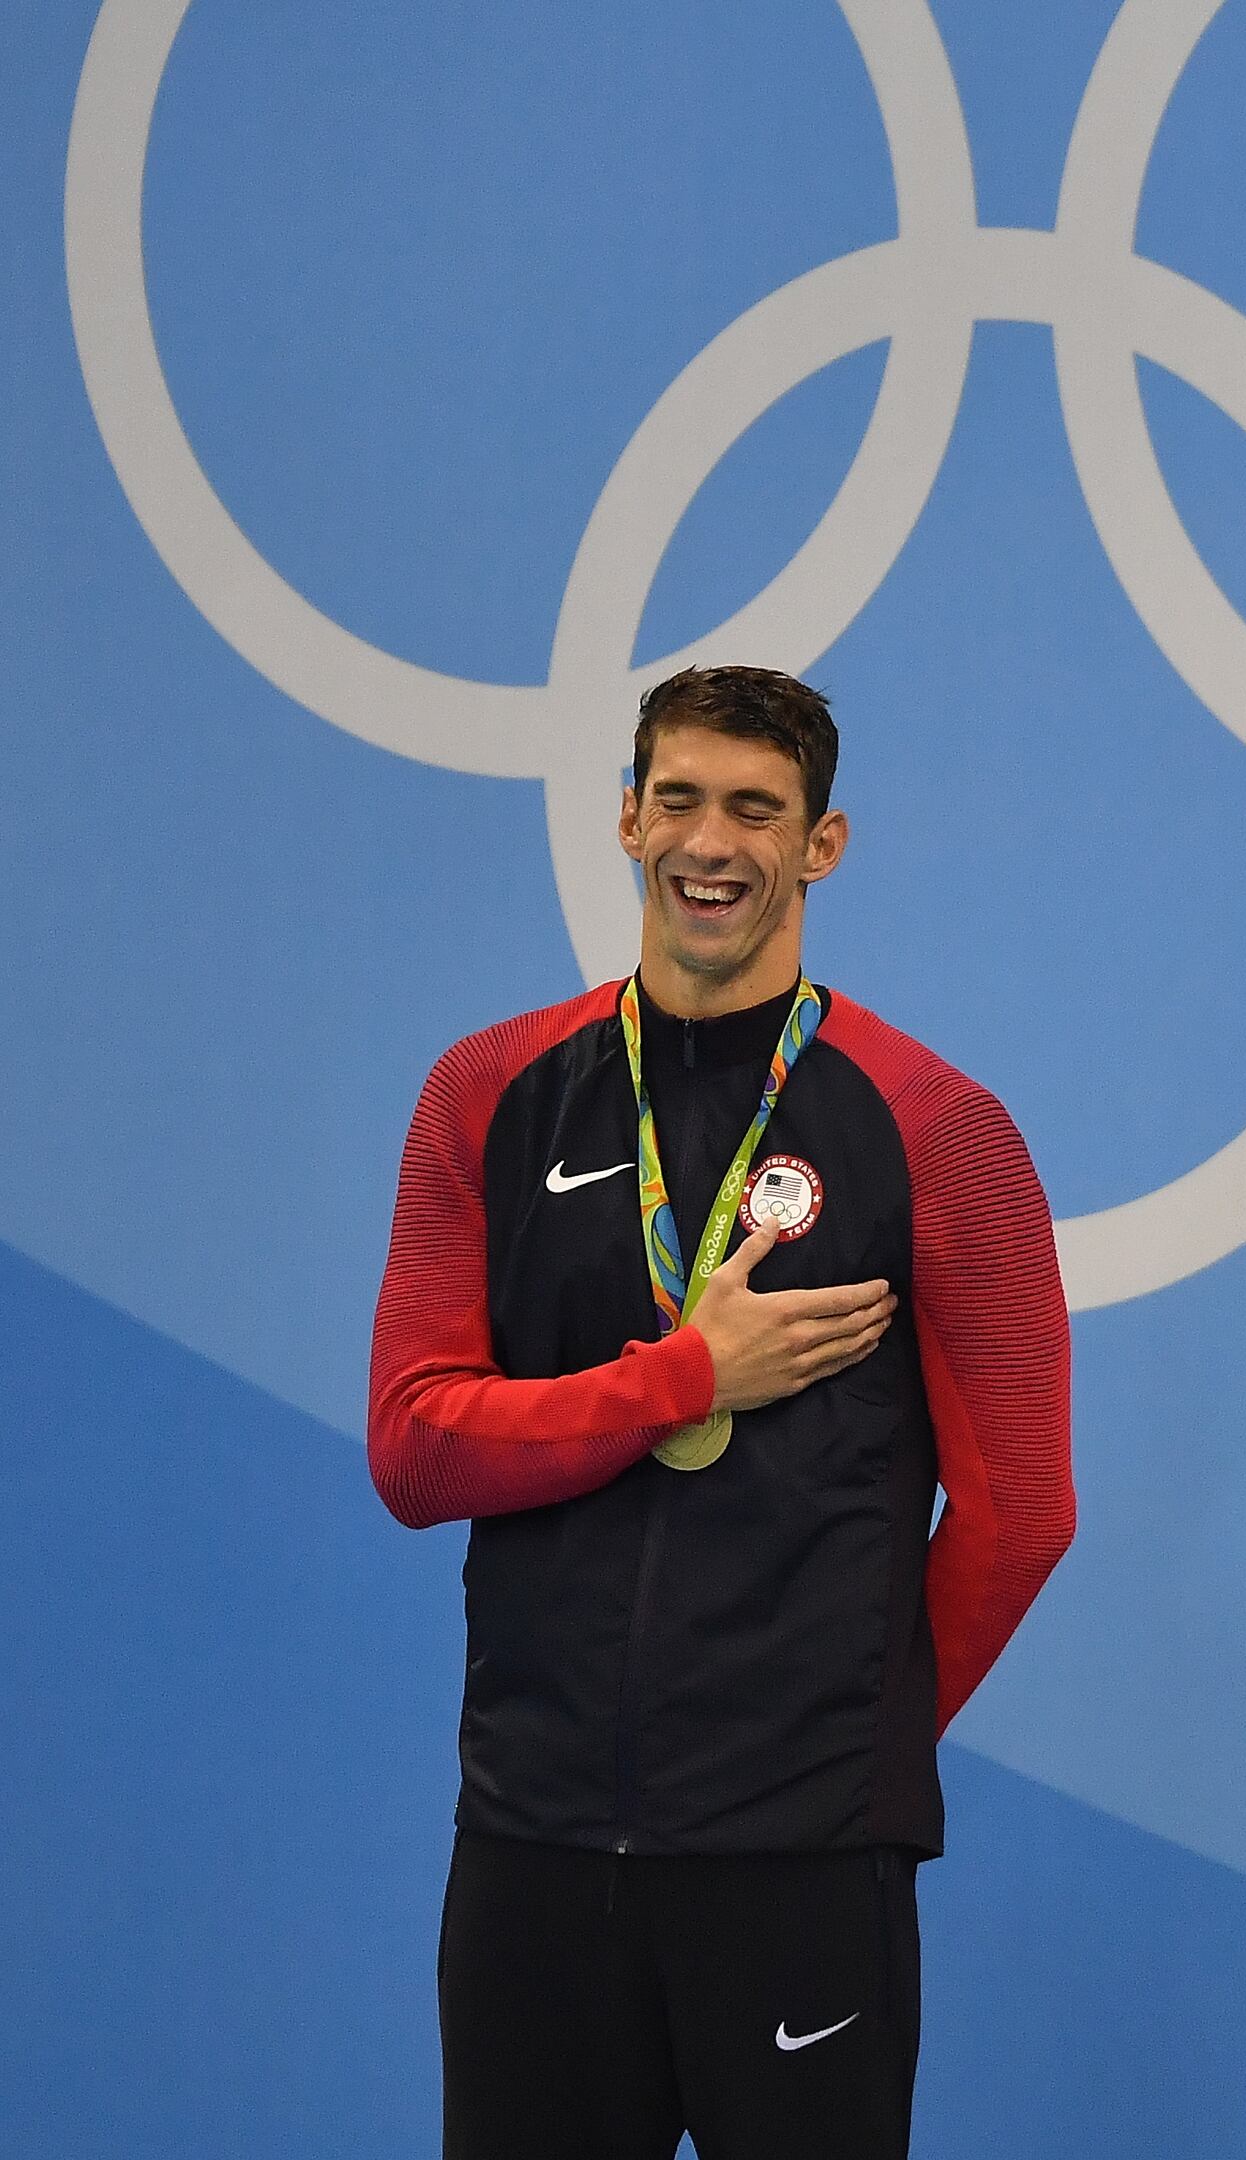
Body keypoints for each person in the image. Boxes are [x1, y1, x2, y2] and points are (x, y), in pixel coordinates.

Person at [367, 665, 1075, 2158]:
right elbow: (418, 1448)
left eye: (758, 810)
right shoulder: (487, 1096)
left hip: (800, 1859)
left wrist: (843, 1735)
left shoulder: (942, 1132)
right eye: (680, 799)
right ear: (627, 819)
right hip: (534, 1842)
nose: (713, 841)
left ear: (822, 846)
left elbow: (1025, 1512)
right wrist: (686, 1378)